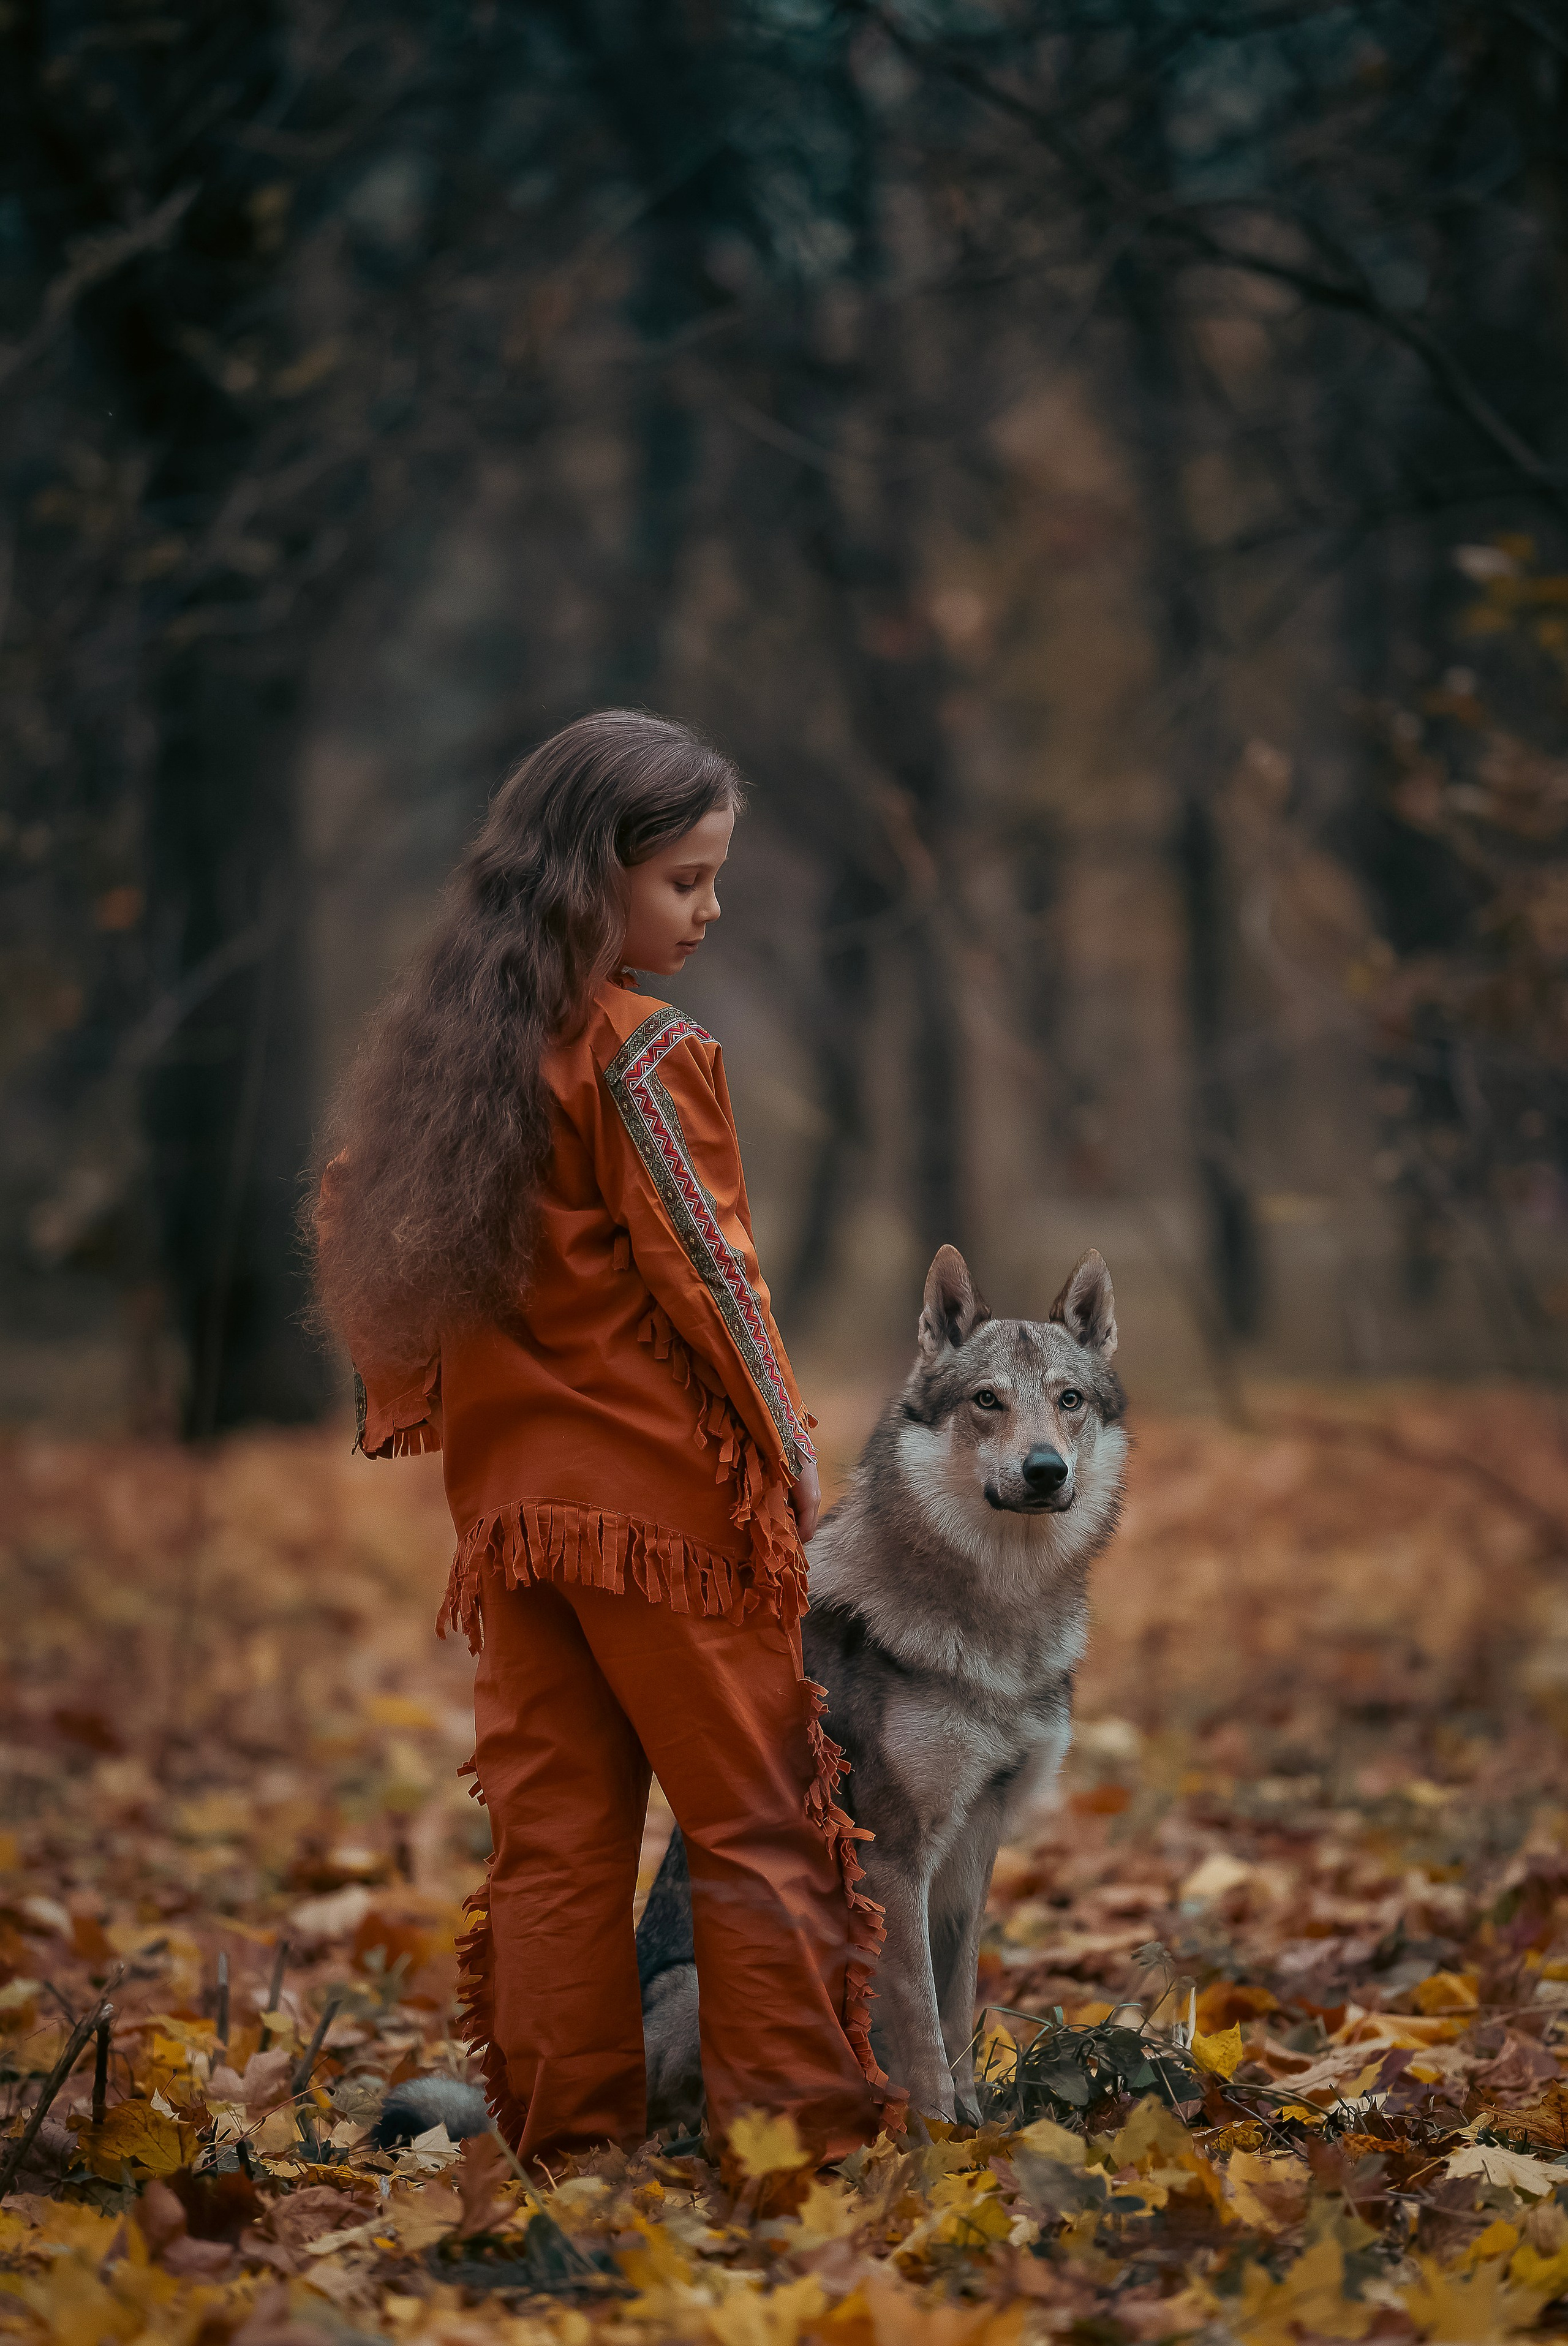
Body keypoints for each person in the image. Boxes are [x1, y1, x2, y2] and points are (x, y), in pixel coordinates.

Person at [310, 710, 885, 2167]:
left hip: (514, 1521)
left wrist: (423, 1399)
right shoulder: (644, 1052)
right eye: (684, 879)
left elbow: (356, 1228)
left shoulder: (456, 1058)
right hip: (665, 1515)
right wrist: (788, 1447)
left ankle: (567, 2154)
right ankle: (796, 2156)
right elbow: (709, 1268)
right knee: (757, 1819)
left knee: (553, 1840)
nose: (709, 908)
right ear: (591, 876)